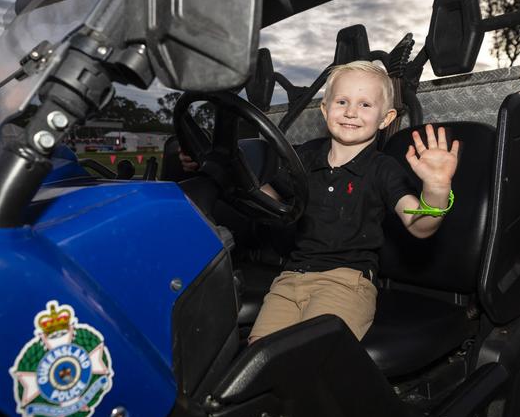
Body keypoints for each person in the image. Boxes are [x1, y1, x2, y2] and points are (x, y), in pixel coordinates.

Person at [180, 60, 459, 343]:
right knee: (261, 355)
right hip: (290, 279)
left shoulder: (382, 169)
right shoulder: (307, 156)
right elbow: (271, 200)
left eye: (365, 104)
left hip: (346, 282)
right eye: (342, 101)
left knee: (310, 356)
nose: (351, 111)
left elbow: (418, 224)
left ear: (385, 118)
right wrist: (226, 170)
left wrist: (436, 189)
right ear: (325, 109)